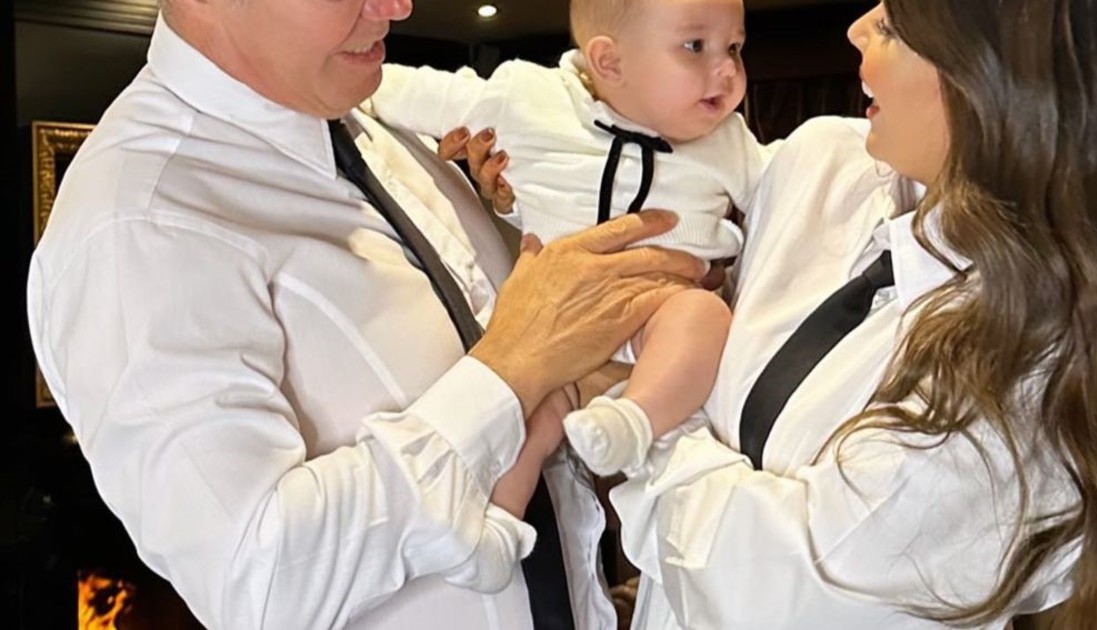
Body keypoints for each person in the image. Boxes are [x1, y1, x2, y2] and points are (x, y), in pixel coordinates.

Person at [24, 0, 711, 628]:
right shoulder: (137, 224)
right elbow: (257, 576)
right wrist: (510, 370)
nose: (398, 6)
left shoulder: (393, 135)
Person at [596, 1, 1097, 628]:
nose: (856, 29)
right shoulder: (824, 163)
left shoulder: (1033, 380)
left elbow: (777, 594)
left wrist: (641, 413)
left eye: (893, 25)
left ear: (1004, 80)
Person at [365, 0, 775, 478]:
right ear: (610, 61)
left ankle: (632, 423)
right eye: (695, 46)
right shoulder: (529, 98)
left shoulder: (729, 142)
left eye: (734, 47)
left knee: (703, 314)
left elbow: (796, 181)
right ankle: (500, 519)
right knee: (522, 427)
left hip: (658, 325)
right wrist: (366, 94)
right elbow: (414, 93)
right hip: (549, 333)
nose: (726, 70)